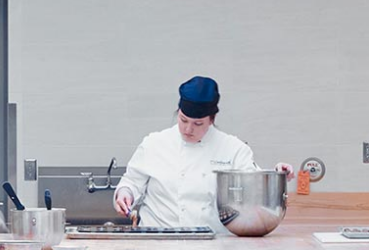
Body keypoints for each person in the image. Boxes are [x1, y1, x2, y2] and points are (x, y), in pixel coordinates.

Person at [114, 76, 294, 231]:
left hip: (212, 246)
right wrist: (125, 193)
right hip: (158, 241)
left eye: (197, 123)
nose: (187, 129)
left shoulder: (233, 148)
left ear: (211, 119)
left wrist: (278, 174)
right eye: (183, 120)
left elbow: (253, 188)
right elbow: (131, 182)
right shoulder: (154, 143)